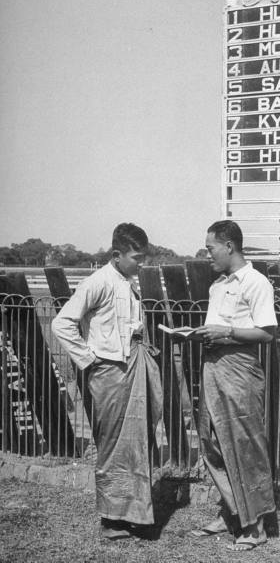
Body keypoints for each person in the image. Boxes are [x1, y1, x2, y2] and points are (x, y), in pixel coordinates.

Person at [52, 223, 163, 540]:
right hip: (109, 371)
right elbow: (63, 324)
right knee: (113, 444)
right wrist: (89, 359)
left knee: (137, 441)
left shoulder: (127, 282)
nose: (140, 264)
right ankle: (112, 519)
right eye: (136, 257)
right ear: (117, 254)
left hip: (132, 365)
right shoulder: (97, 282)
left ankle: (136, 515)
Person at [192, 220, 277, 552]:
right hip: (213, 369)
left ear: (229, 246)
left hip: (240, 372)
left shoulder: (256, 283)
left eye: (211, 247)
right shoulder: (218, 285)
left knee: (244, 446)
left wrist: (226, 332)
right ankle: (232, 513)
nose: (207, 253)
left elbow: (268, 333)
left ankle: (255, 527)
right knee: (211, 442)